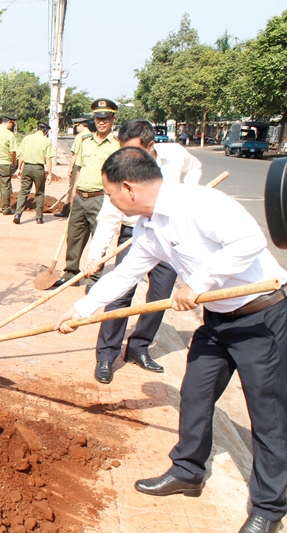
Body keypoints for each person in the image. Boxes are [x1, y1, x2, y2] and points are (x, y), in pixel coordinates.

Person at [56, 147, 287, 533]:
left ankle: (268, 507)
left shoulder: (198, 202)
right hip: (218, 322)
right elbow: (126, 274)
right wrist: (82, 311)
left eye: (111, 195)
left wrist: (199, 282)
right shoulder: (150, 226)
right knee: (195, 393)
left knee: (269, 415)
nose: (110, 201)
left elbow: (247, 242)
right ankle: (188, 470)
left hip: (259, 319)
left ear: (128, 188)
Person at [83, 119, 202, 384]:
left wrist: (188, 195)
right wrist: (95, 256)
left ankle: (138, 348)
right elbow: (109, 215)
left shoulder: (176, 156)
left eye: (135, 150)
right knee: (120, 291)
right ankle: (106, 355)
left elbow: (195, 168)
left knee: (160, 296)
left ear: (150, 146)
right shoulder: (120, 168)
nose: (128, 157)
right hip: (134, 233)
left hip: (169, 235)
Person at [54, 99, 120, 288]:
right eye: (98, 118)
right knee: (74, 235)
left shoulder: (116, 144)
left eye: (106, 118)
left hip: (101, 197)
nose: (101, 122)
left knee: (98, 238)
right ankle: (70, 273)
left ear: (112, 119)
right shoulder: (85, 141)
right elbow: (80, 168)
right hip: (81, 195)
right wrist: (73, 193)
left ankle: (93, 278)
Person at [14, 121, 55, 224]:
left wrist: (19, 168)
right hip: (38, 169)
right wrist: (49, 173)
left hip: (27, 167)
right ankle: (39, 218)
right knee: (40, 193)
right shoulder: (47, 141)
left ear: (37, 129)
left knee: (23, 191)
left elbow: (22, 155)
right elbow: (48, 159)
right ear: (46, 131)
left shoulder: (27, 138)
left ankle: (18, 214)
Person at [56, 117, 92, 218]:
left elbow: (75, 154)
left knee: (73, 187)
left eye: (77, 127)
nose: (76, 129)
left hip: (78, 165)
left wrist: (70, 168)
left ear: (80, 126)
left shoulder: (80, 137)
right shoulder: (93, 136)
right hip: (89, 165)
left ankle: (68, 211)